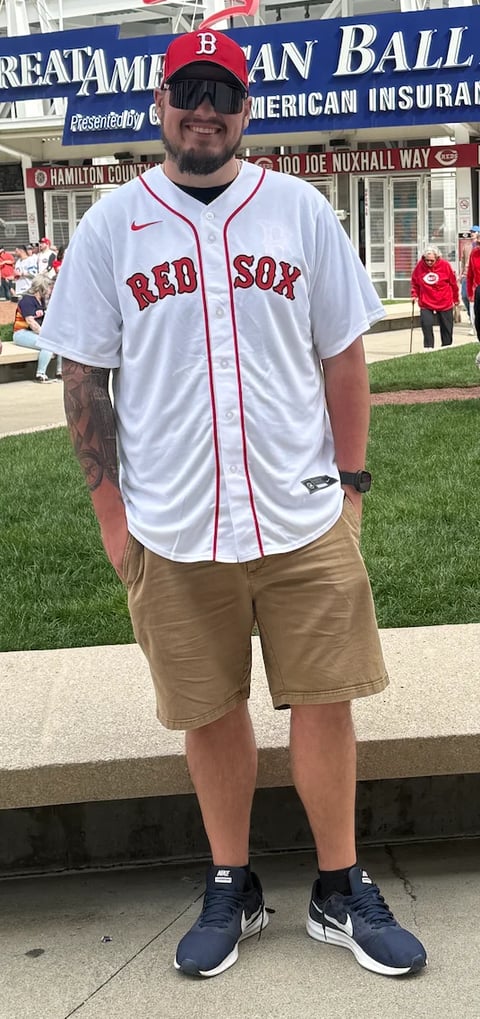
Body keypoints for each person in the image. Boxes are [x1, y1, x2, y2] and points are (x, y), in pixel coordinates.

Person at [40, 29, 427, 981]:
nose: (203, 107)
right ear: (160, 107)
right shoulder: (109, 225)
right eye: (187, 90)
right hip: (172, 525)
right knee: (209, 711)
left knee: (326, 702)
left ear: (246, 110)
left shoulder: (296, 210)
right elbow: (84, 377)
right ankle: (231, 881)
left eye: (222, 90)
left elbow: (344, 354)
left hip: (301, 513)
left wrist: (351, 486)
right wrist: (110, 519)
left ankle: (340, 886)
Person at [12, 275, 61, 381]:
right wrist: (45, 334)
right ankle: (40, 373)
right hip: (21, 333)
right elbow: (31, 322)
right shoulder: (27, 300)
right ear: (41, 287)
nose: (50, 290)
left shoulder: (41, 301)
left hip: (33, 333)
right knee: (47, 344)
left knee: (60, 342)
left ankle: (60, 372)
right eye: (49, 287)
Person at [411, 245, 459, 349]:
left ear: (437, 258)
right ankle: (428, 348)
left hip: (444, 300)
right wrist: (414, 294)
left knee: (447, 327)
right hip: (426, 301)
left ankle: (447, 347)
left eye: (431, 261)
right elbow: (415, 282)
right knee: (426, 324)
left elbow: (453, 283)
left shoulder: (445, 265)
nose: (429, 263)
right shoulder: (420, 266)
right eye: (427, 260)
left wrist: (456, 299)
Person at [459, 226, 479, 332]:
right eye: (471, 232)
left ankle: (475, 322)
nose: (472, 233)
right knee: (465, 296)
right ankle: (471, 317)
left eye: (474, 232)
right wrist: (461, 273)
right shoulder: (467, 246)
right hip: (467, 275)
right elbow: (463, 261)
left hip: (477, 278)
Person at [466, 237, 480, 366]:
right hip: (478, 291)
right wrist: (470, 293)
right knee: (478, 323)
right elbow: (470, 275)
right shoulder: (474, 253)